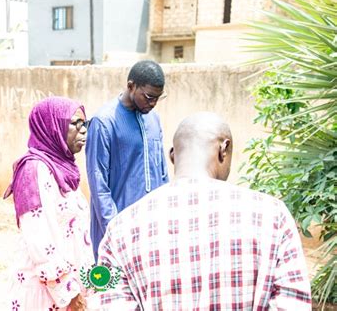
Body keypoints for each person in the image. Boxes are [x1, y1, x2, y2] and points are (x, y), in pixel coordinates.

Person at [93, 112, 312, 309]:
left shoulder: (122, 228)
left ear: (172, 156)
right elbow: (293, 303)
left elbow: (107, 303)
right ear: (223, 150)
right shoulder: (272, 216)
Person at [4, 97, 94, 311]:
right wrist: (70, 296)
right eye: (75, 124)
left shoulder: (64, 168)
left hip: (70, 289)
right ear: (52, 126)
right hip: (45, 294)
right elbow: (40, 242)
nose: (83, 131)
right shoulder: (34, 170)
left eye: (85, 124)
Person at [86, 60, 169, 260]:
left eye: (158, 98)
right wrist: (114, 231)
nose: (153, 104)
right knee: (113, 288)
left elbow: (163, 172)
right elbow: (98, 185)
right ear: (131, 86)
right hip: (118, 229)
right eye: (149, 97)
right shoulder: (104, 122)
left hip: (152, 227)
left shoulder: (154, 119)